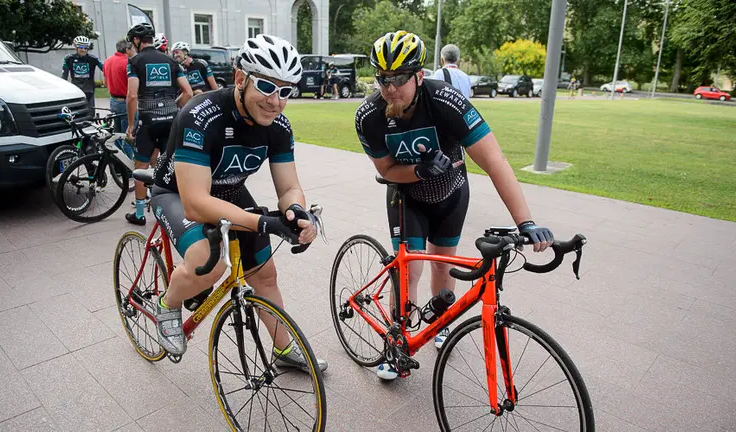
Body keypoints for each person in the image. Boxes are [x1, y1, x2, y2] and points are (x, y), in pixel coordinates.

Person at [355, 30, 553, 380]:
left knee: (442, 272)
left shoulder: (446, 100)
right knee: (408, 273)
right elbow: (386, 170)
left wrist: (525, 223)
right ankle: (396, 344)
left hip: (451, 194)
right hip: (406, 198)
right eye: (382, 79)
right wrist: (418, 171)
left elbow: (495, 162)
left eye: (399, 79)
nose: (389, 88)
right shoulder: (369, 115)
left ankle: (440, 324)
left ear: (419, 75)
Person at [149, 34, 328, 373]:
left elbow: (289, 186)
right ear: (240, 79)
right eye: (266, 86)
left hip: (229, 193)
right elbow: (196, 203)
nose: (275, 101)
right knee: (209, 266)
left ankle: (284, 349)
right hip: (177, 193)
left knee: (265, 274)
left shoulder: (278, 126)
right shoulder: (200, 115)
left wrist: (297, 211)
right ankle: (167, 304)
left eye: (285, 91)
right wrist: (262, 222)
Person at [125, 23, 193, 226]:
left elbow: (131, 95)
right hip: (171, 121)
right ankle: (175, 211)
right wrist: (174, 105)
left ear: (136, 40)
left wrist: (130, 125)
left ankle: (139, 214)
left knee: (141, 166)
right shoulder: (171, 61)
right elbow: (188, 92)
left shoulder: (135, 61)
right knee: (170, 165)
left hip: (147, 122)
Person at [62, 35, 104, 113]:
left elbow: (105, 69)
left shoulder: (93, 59)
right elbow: (64, 75)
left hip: (89, 91)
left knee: (91, 114)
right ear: (76, 47)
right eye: (81, 47)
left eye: (85, 48)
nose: (83, 50)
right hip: (76, 91)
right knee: (77, 113)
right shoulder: (69, 59)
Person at [103, 38, 134, 133]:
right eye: (132, 49)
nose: (133, 51)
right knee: (128, 134)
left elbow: (105, 82)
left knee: (117, 133)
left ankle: (117, 148)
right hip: (125, 102)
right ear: (127, 50)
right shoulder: (127, 63)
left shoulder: (108, 60)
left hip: (113, 101)